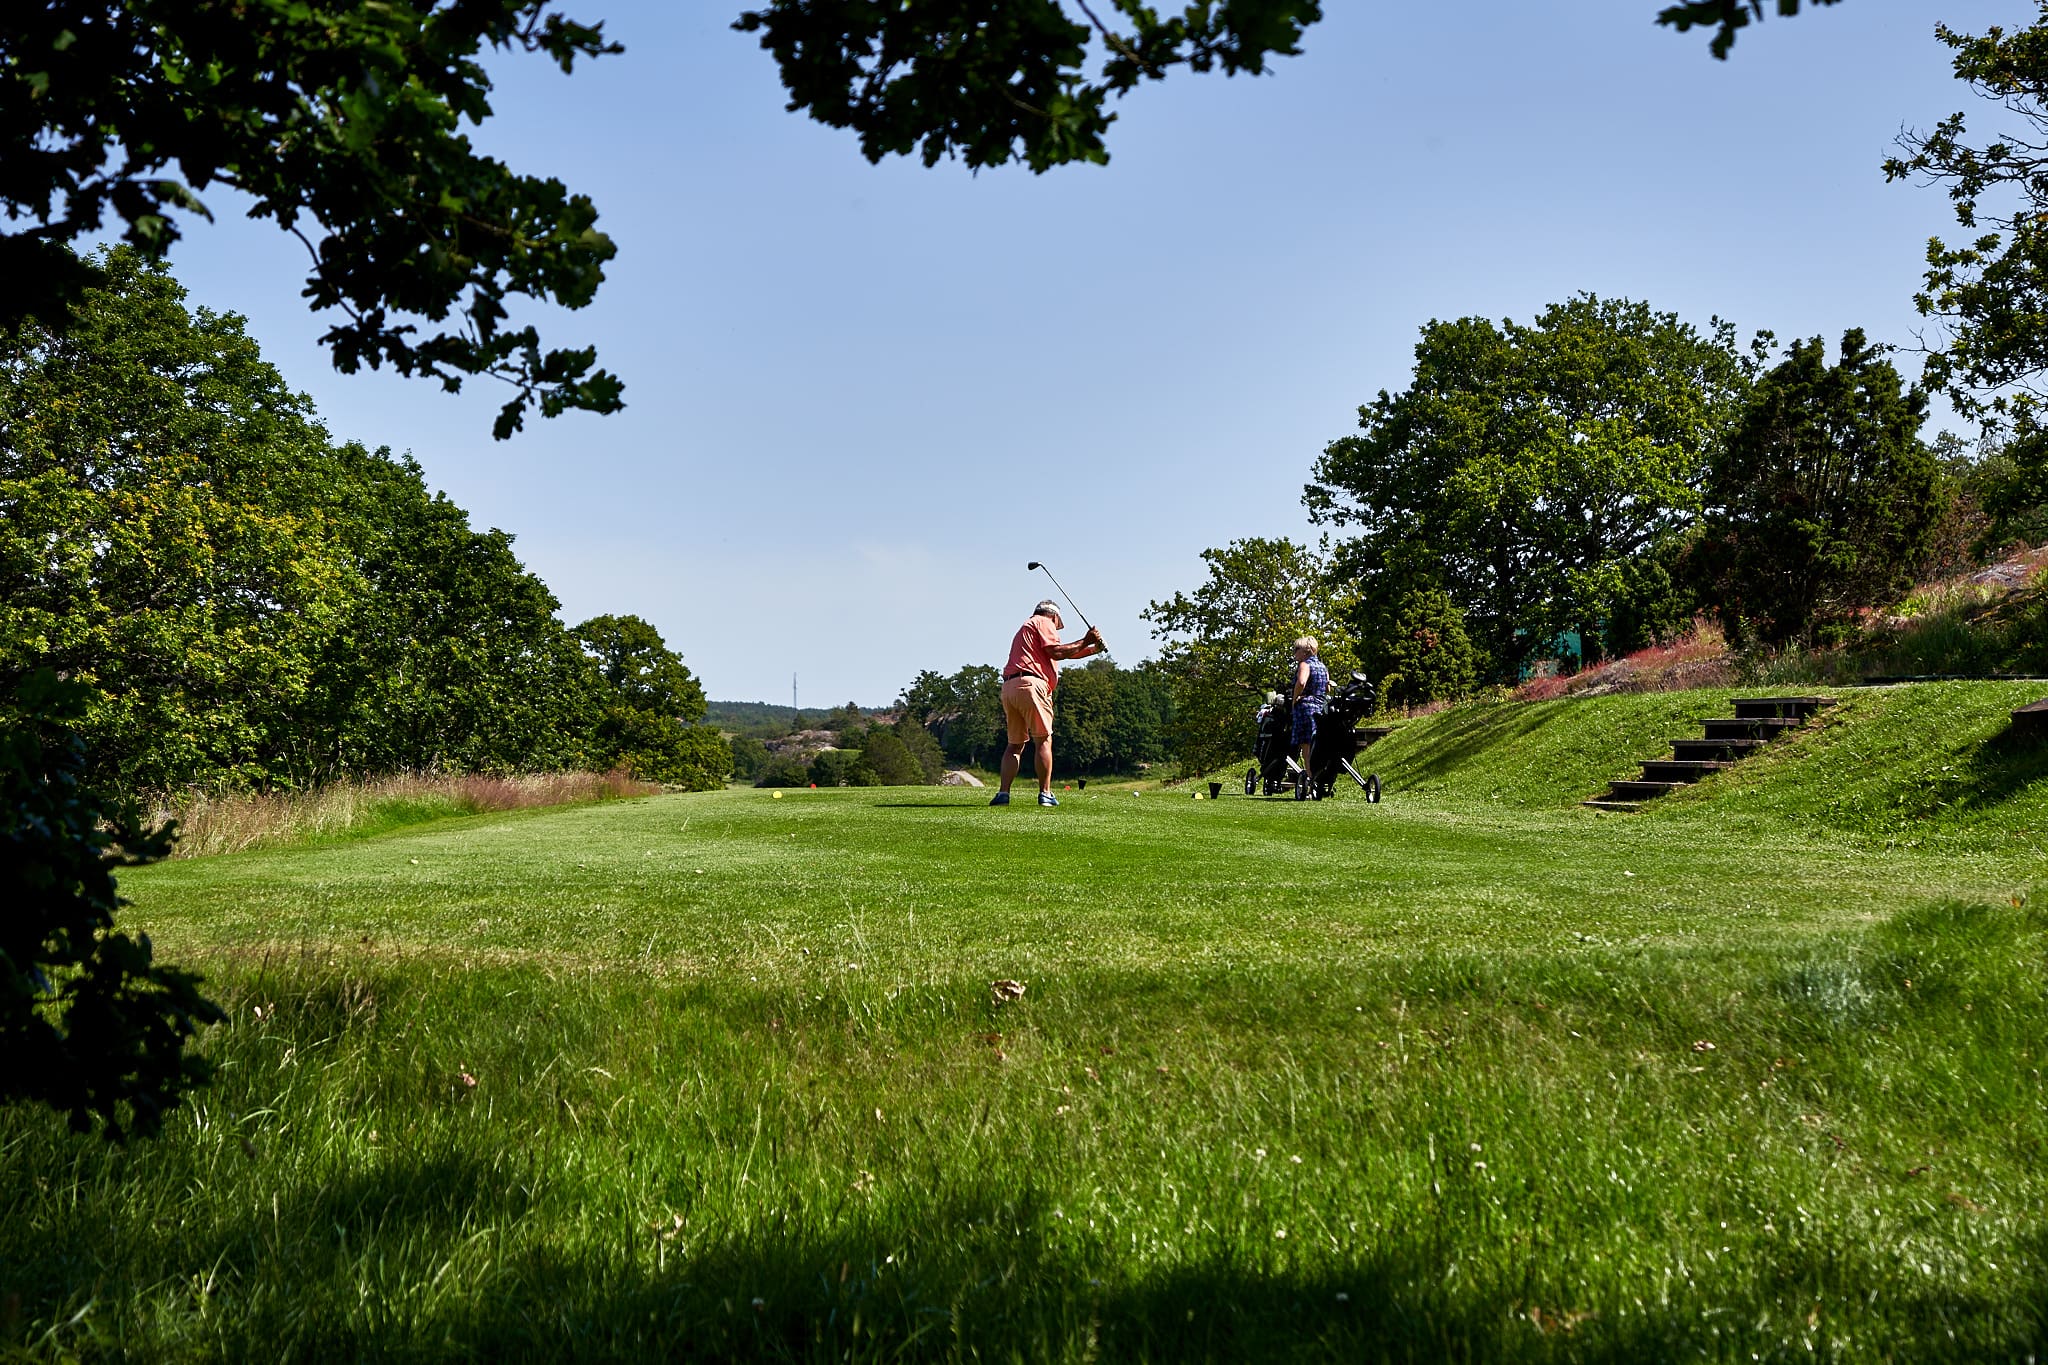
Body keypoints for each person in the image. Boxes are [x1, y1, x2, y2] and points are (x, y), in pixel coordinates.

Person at [990, 600, 1104, 807]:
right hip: (1032, 685)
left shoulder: (1027, 627)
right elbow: (1057, 652)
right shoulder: (1044, 622)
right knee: (1043, 740)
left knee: (1014, 745)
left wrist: (1091, 648)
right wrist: (1085, 639)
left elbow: (1064, 653)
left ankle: (1003, 794)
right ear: (1054, 616)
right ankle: (1045, 794)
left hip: (1010, 687)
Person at [1289, 636, 1329, 801]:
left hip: (1306, 707)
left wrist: (1294, 698)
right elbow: (1327, 687)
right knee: (1317, 745)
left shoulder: (1305, 665)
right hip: (1321, 707)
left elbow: (1302, 682)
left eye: (1296, 650)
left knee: (1306, 746)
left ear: (1305, 651)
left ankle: (1310, 780)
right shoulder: (1322, 666)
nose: (1294, 654)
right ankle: (1319, 779)